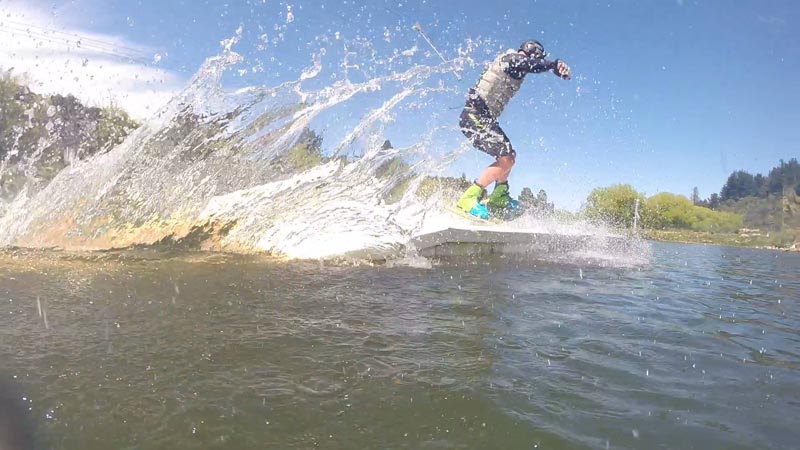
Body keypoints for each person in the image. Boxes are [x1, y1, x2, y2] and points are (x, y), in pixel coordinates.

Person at [456, 40, 570, 219]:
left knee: (510, 156)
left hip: (482, 119)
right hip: (474, 116)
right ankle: (468, 198)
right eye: (539, 57)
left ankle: (499, 197)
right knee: (506, 158)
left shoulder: (512, 63)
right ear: (533, 53)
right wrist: (552, 66)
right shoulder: (512, 60)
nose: (539, 61)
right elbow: (526, 63)